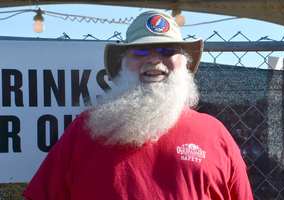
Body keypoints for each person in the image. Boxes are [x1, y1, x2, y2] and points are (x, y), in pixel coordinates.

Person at [23, 10, 253, 200]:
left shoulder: (215, 134)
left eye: (167, 51)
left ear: (184, 63)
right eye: (140, 51)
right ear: (123, 65)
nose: (153, 59)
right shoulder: (86, 129)